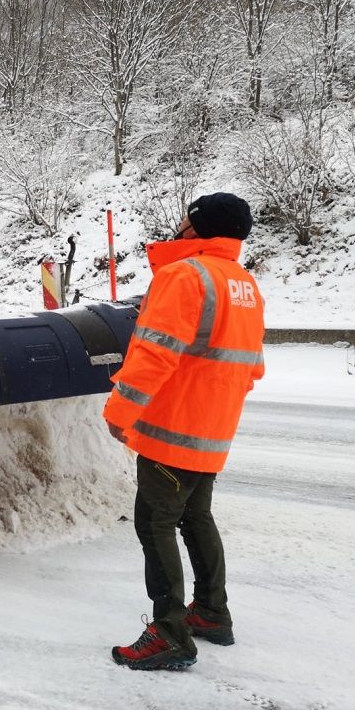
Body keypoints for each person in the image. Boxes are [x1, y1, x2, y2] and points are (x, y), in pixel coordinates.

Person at [103, 192, 265, 672]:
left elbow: (155, 352)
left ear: (198, 229)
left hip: (172, 428)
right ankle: (212, 613)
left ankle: (169, 633)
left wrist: (120, 409)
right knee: (196, 517)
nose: (177, 226)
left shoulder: (183, 276)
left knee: (154, 523)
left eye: (184, 220)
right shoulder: (244, 284)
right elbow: (252, 366)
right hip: (213, 430)